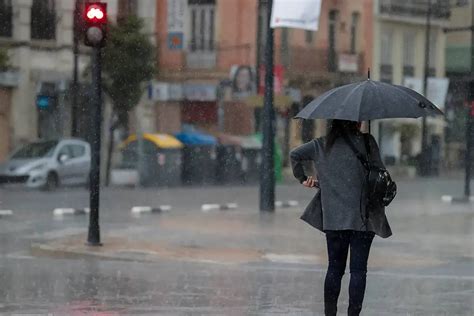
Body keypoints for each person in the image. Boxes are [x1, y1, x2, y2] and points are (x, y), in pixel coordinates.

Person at [290, 119, 392, 316]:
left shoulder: (321, 144)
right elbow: (381, 174)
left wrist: (302, 178)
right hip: (363, 218)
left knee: (334, 270)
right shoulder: (367, 142)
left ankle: (330, 313)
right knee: (358, 271)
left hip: (334, 220)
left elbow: (295, 154)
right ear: (356, 121)